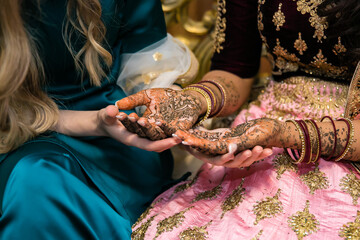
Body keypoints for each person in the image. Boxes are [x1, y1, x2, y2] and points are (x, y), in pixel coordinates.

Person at [116, 0, 360, 239]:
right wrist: (193, 101)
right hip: (262, 122)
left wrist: (281, 134)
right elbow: (233, 70)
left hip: (346, 138)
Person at [0, 0, 199, 239]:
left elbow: (147, 67)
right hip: (14, 136)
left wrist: (183, 122)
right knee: (36, 184)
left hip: (122, 139)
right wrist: (94, 122)